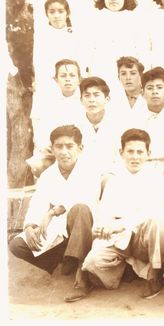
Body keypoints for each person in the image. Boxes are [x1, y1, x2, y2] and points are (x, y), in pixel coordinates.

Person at [9, 125, 101, 303]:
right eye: (59, 147)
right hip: (59, 230)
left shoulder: (90, 170)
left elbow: (85, 199)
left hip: (85, 227)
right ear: (52, 149)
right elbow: (38, 202)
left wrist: (51, 212)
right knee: (17, 245)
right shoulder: (48, 175)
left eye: (69, 146)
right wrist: (30, 226)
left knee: (80, 209)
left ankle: (82, 276)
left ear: (80, 148)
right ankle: (63, 263)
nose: (64, 152)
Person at [82, 128, 164, 299]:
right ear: (121, 153)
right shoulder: (114, 180)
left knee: (158, 221)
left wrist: (120, 224)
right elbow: (105, 212)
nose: (135, 157)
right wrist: (104, 227)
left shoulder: (155, 178)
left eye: (140, 152)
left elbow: (157, 210)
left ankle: (154, 273)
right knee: (93, 263)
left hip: (144, 239)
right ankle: (125, 270)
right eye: (130, 151)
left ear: (148, 153)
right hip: (118, 239)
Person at [130, 67, 164, 200]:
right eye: (150, 88)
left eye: (159, 87)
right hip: (139, 166)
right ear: (142, 93)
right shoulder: (132, 119)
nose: (155, 92)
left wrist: (158, 172)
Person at [28, 59, 85, 178]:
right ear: (56, 80)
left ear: (79, 79)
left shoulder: (85, 101)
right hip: (53, 150)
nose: (68, 79)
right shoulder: (49, 102)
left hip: (77, 150)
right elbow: (40, 129)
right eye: (63, 76)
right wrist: (47, 145)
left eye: (72, 75)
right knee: (38, 165)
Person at [89, 0, 146, 88]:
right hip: (101, 71)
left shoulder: (136, 20)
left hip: (129, 74)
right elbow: (87, 50)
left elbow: (143, 49)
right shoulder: (94, 20)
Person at [33, 0, 87, 94]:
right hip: (49, 79)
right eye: (52, 12)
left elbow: (82, 57)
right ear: (47, 14)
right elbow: (39, 61)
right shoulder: (41, 36)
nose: (56, 15)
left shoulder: (75, 34)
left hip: (72, 80)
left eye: (60, 11)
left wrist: (82, 78)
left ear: (67, 13)